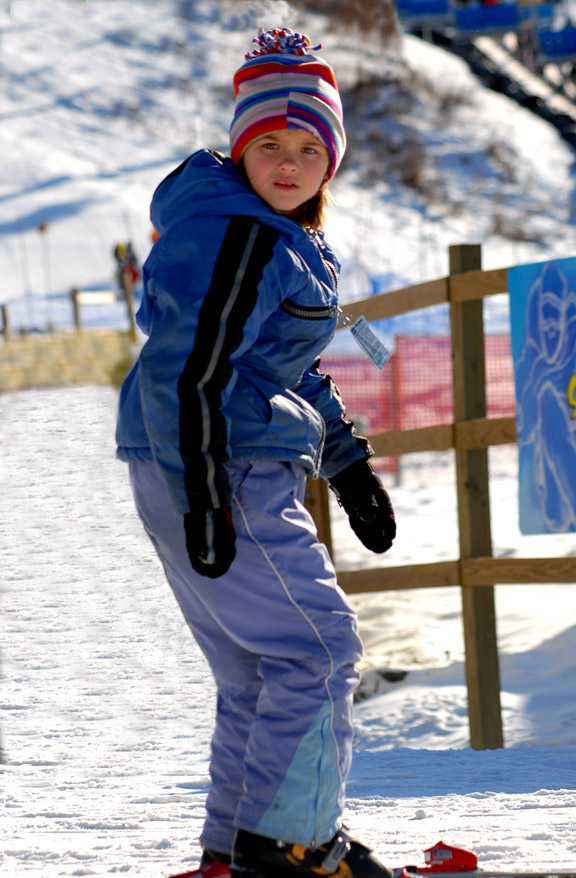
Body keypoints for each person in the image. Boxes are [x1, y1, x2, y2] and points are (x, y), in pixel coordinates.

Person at [115, 26, 397, 878]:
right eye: (267, 143)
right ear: (239, 150)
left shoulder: (266, 238)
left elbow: (281, 365)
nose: (288, 161)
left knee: (255, 671)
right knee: (319, 650)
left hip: (201, 460)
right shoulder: (241, 235)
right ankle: (296, 843)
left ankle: (235, 849)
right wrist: (204, 493)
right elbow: (189, 368)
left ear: (331, 161)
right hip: (217, 464)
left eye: (309, 146)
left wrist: (347, 466)